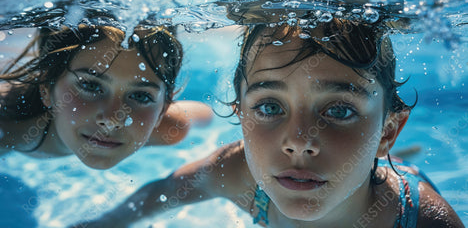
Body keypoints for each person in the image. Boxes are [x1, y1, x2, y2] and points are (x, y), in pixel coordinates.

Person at [75, 18, 464, 227]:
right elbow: (158, 194)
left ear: (387, 131)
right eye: (270, 108)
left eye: (340, 111)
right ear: (241, 116)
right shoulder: (237, 171)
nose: (298, 142)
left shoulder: (424, 220)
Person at [0, 24, 212, 170]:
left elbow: (205, 114)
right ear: (46, 88)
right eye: (90, 86)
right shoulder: (19, 131)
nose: (113, 118)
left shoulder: (170, 127)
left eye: (140, 95)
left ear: (162, 108)